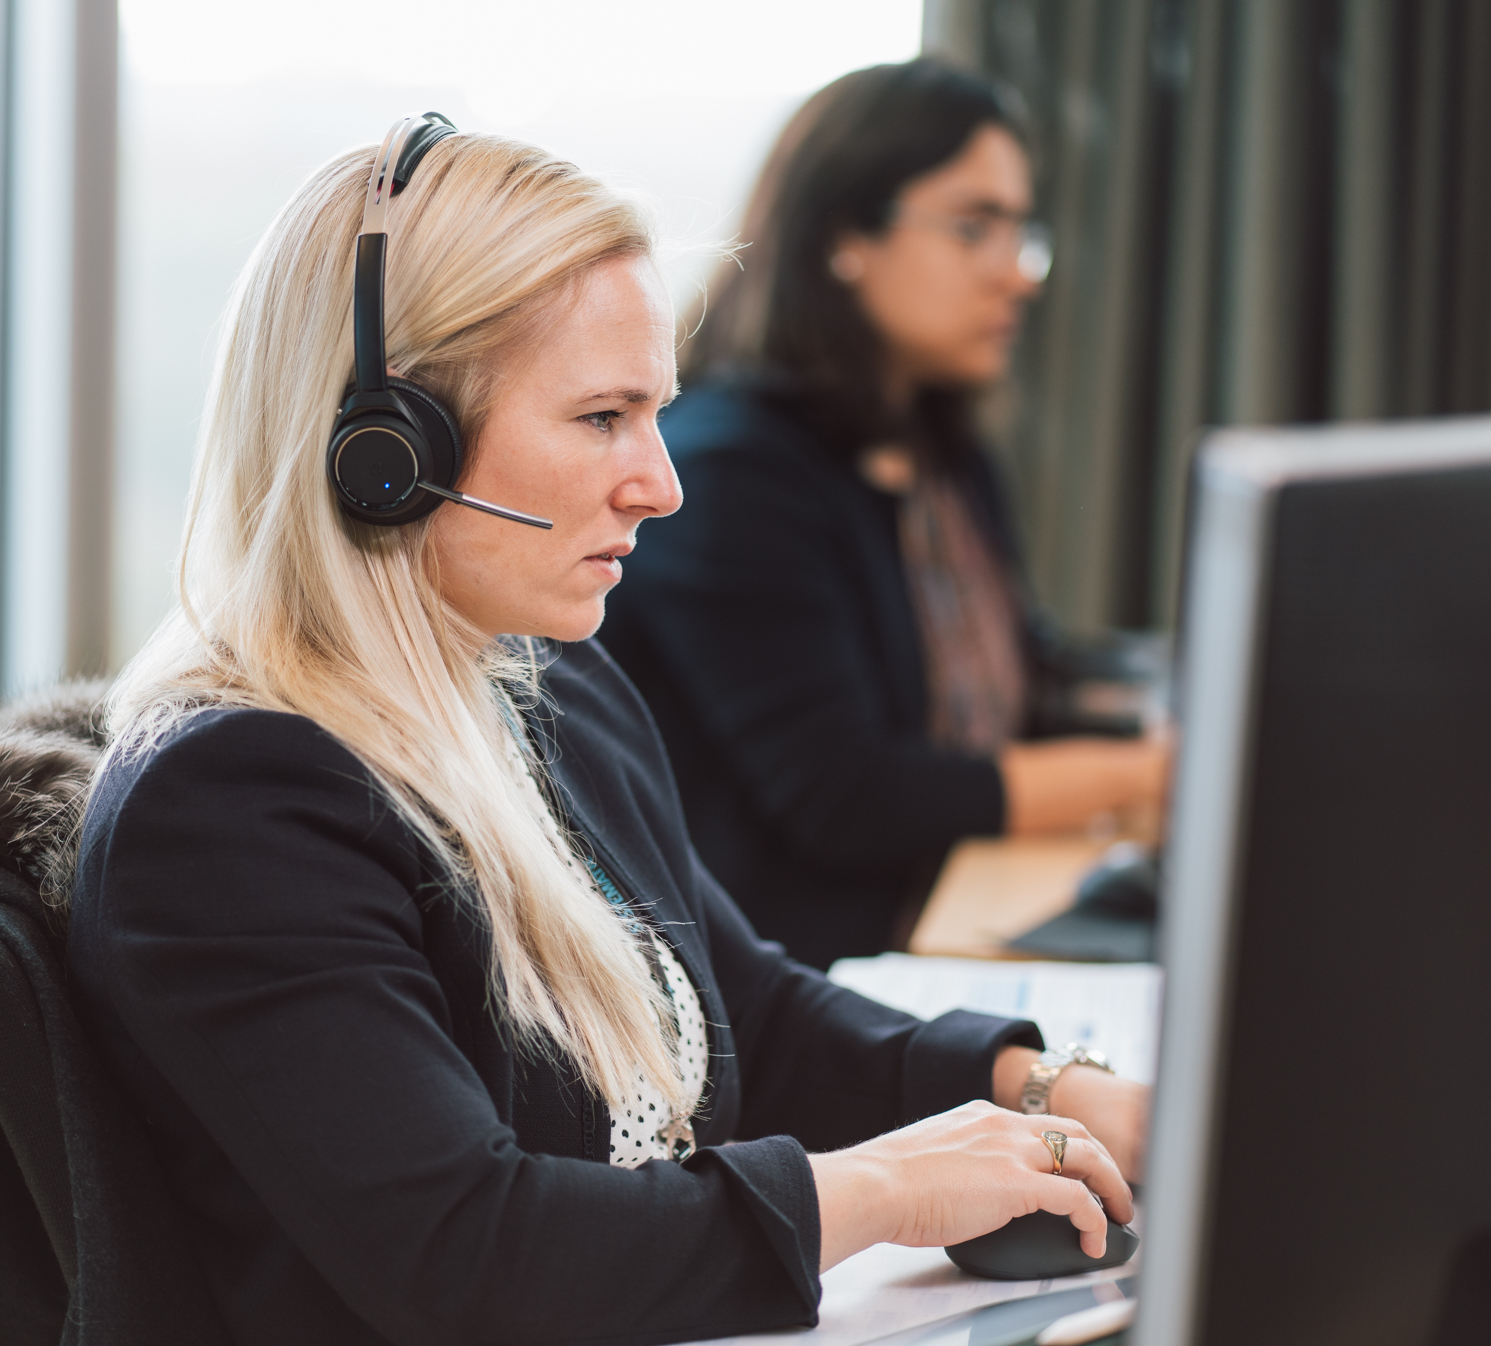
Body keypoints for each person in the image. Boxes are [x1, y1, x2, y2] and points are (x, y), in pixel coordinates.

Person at [71, 119, 1147, 1346]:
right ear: (388, 452)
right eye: (600, 418)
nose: (660, 481)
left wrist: (1046, 1087)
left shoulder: (546, 685)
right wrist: (887, 1189)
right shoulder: (230, 807)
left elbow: (746, 1006)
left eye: (656, 414)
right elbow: (467, 1252)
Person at [603, 61, 1170, 971]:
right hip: (796, 972)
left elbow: (1024, 666)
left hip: (922, 919)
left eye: (1021, 231)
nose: (1016, 274)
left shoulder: (938, 445)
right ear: (845, 237)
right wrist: (1144, 777)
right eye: (973, 226)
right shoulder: (728, 473)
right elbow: (849, 797)